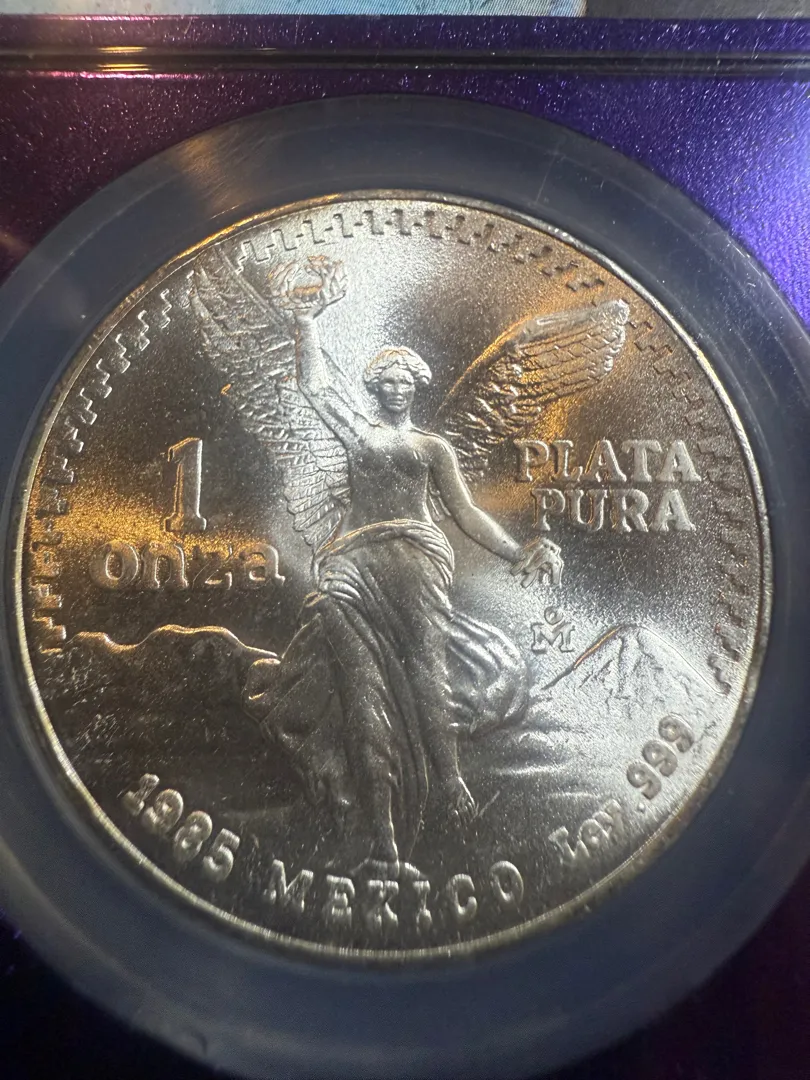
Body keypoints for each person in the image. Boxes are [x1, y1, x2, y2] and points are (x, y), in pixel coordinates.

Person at [244, 285, 560, 873]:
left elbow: (466, 513)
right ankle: (381, 838)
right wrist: (306, 322)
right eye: (386, 381)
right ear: (374, 388)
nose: (395, 388)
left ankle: (451, 781)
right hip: (352, 566)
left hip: (416, 563)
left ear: (416, 387)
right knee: (361, 698)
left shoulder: (432, 447)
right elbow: (315, 388)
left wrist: (518, 552)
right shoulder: (357, 435)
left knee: (427, 674)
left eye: (404, 381)